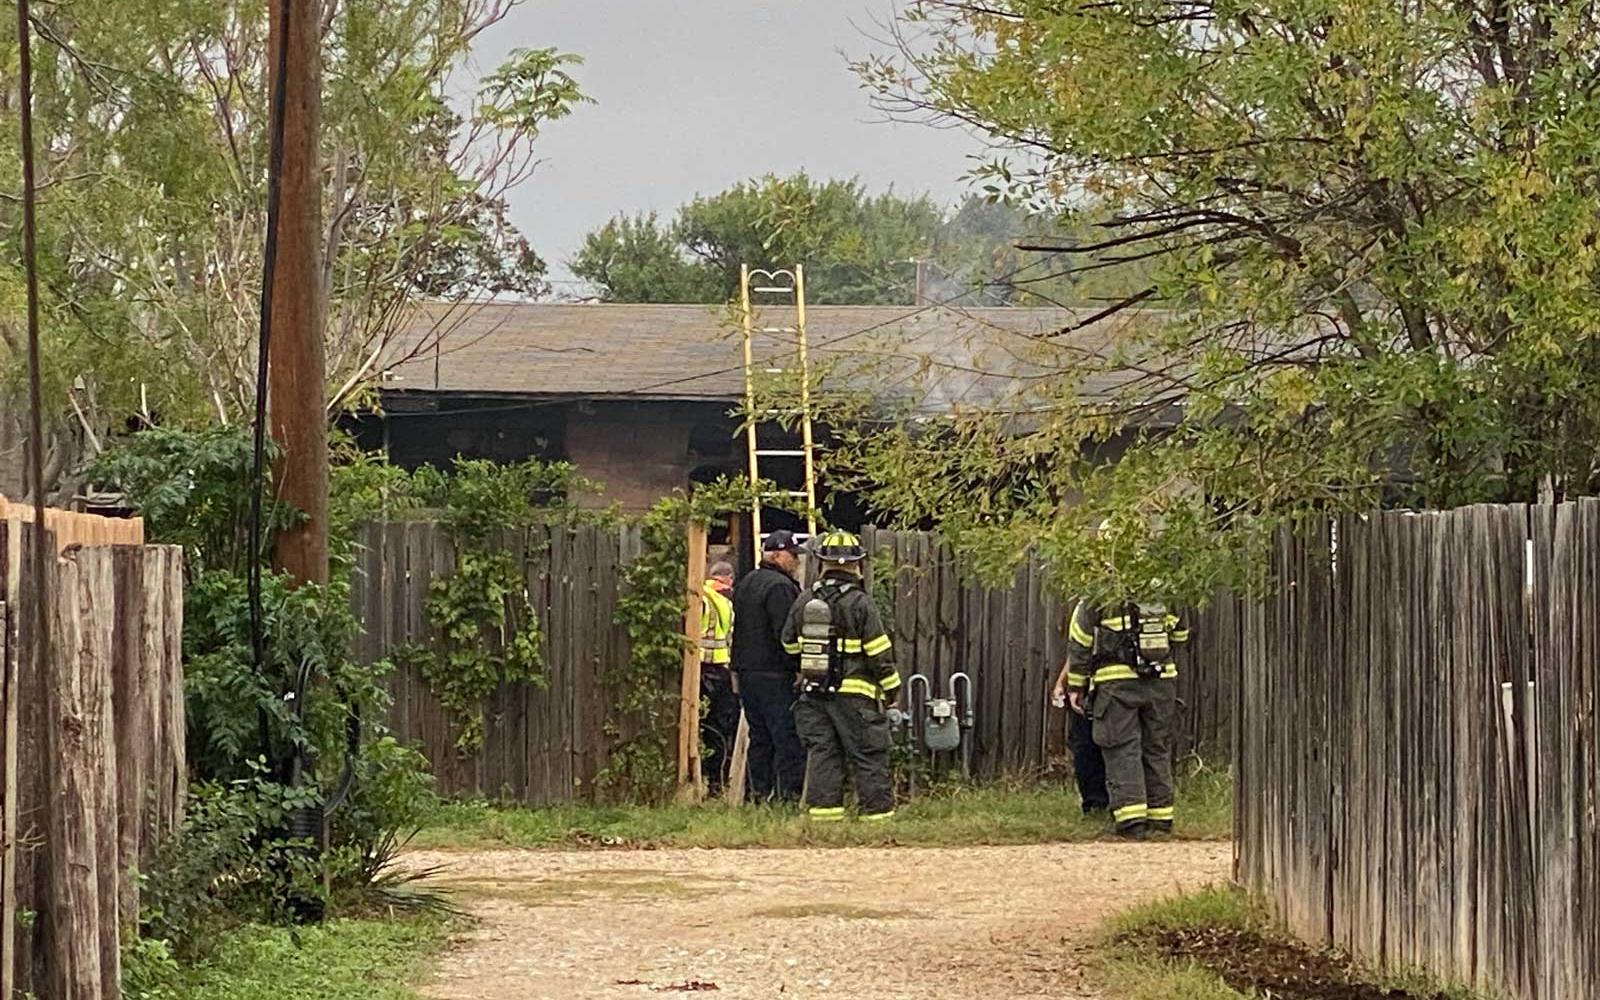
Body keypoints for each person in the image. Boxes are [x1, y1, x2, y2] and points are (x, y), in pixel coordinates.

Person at [782, 531, 899, 823]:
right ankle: (877, 819)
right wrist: (891, 687)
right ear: (857, 564)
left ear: (821, 562)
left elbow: (788, 643)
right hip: (856, 698)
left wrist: (808, 661)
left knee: (823, 754)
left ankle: (825, 821)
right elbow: (878, 651)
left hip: (814, 693)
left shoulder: (805, 600)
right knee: (868, 754)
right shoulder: (860, 603)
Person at [1063, 591, 1189, 838]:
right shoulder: (1170, 590)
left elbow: (1080, 641)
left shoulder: (1100, 592)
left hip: (1116, 685)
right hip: (1161, 682)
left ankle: (1131, 821)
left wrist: (1076, 686)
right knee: (1157, 748)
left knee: (1121, 747)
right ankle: (1161, 820)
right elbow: (1181, 635)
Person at [731, 530, 807, 803]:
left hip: (748, 674)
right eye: (793, 556)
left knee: (759, 738)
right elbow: (786, 634)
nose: (796, 562)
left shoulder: (746, 582)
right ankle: (788, 797)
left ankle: (757, 796)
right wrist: (799, 666)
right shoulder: (780, 587)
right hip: (775, 674)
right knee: (786, 737)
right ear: (776, 554)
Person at [698, 561, 740, 796]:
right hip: (718, 671)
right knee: (718, 729)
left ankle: (703, 779)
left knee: (701, 727)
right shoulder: (726, 602)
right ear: (728, 579)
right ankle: (716, 783)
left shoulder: (699, 595)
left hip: (697, 672)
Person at [1052, 646, 1109, 816]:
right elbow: (1077, 654)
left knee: (1100, 748)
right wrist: (1061, 683)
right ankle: (1094, 806)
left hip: (1110, 691)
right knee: (1084, 747)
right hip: (1085, 692)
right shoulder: (1085, 621)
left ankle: (1105, 804)